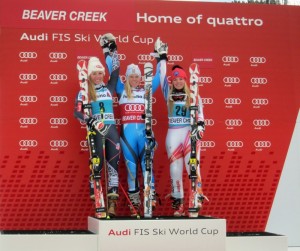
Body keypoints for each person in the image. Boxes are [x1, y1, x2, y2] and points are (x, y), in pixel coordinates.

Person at [157, 38, 208, 217]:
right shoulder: (168, 92)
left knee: (192, 166)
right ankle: (178, 203)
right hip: (173, 133)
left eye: (181, 80)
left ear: (186, 80)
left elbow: (200, 113)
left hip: (188, 132)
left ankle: (196, 196)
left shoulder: (193, 95)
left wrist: (200, 127)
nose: (178, 82)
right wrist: (162, 57)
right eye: (176, 80)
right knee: (175, 169)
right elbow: (162, 77)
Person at [74, 33, 120, 217]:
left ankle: (113, 203)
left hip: (111, 129)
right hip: (96, 130)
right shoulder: (84, 92)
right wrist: (91, 120)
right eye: (95, 73)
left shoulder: (110, 87)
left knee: (113, 162)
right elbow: (77, 112)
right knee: (97, 162)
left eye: (100, 72)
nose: (99, 76)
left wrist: (111, 49)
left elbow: (115, 70)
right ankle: (96, 192)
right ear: (89, 75)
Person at [115, 57, 165, 216]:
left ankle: (150, 198)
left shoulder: (146, 91)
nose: (135, 79)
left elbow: (159, 75)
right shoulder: (121, 90)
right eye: (132, 76)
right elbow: (113, 71)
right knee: (131, 169)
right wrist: (109, 52)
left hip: (144, 135)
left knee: (147, 167)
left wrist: (161, 58)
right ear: (127, 77)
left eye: (137, 76)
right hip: (127, 137)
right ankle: (134, 203)